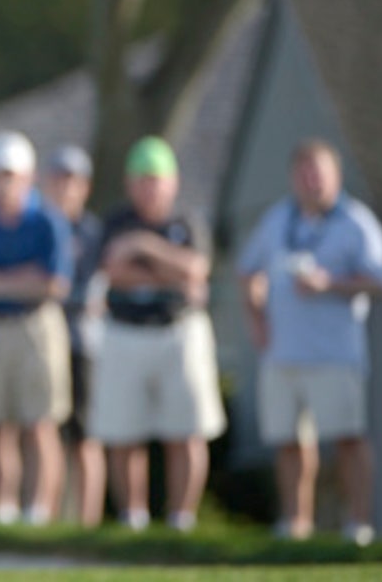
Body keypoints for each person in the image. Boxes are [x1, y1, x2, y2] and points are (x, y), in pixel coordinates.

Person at [237, 139, 382, 545]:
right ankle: (295, 524)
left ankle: (357, 526)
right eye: (304, 172)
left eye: (318, 171)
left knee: (348, 438)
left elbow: (380, 282)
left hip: (335, 354)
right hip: (282, 353)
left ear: (335, 176)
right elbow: (247, 272)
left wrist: (330, 284)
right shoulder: (276, 220)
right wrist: (257, 320)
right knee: (288, 443)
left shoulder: (357, 222)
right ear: (293, 177)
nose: (311, 179)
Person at [89, 136, 226, 533]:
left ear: (172, 182)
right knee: (124, 432)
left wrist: (144, 246)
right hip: (126, 331)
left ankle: (182, 518)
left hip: (177, 332)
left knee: (185, 431)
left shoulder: (185, 221)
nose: (149, 188)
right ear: (130, 183)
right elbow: (113, 271)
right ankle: (134, 517)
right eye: (142, 179)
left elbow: (197, 270)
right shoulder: (115, 221)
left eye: (156, 179)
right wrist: (171, 271)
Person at [0, 131, 72, 526]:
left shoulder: (48, 221)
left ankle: (39, 511)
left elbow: (54, 283)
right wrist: (23, 278)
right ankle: (3, 508)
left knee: (39, 422)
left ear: (28, 177)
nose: (5, 182)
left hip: (34, 327)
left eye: (12, 175)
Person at [41, 145, 106, 527]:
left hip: (81, 342)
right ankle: (49, 517)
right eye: (59, 178)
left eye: (73, 179)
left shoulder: (92, 232)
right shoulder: (39, 227)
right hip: (43, 342)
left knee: (84, 436)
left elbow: (88, 290)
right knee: (47, 432)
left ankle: (87, 521)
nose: (65, 187)